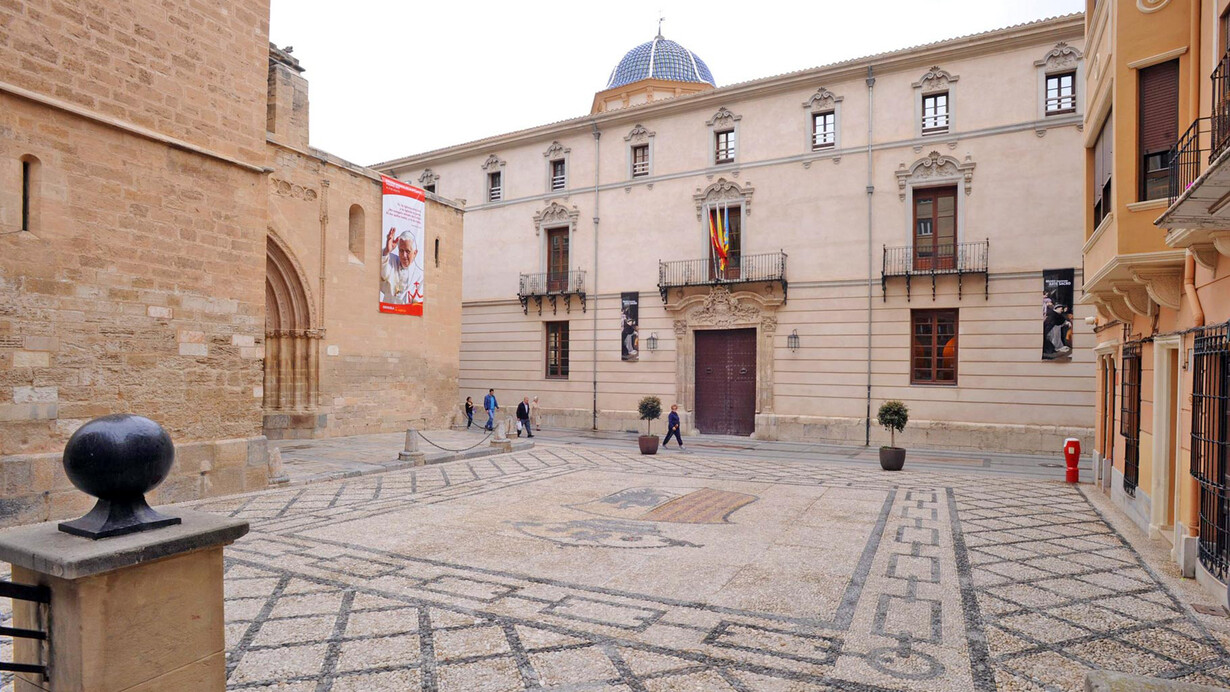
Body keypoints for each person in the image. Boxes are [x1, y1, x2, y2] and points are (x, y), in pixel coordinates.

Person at [379, 227, 423, 306]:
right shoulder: (391, 260)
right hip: (388, 312)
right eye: (401, 251)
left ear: (415, 253)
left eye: (407, 251)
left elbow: (418, 305)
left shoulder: (420, 275)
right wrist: (387, 251)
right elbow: (381, 270)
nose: (404, 255)